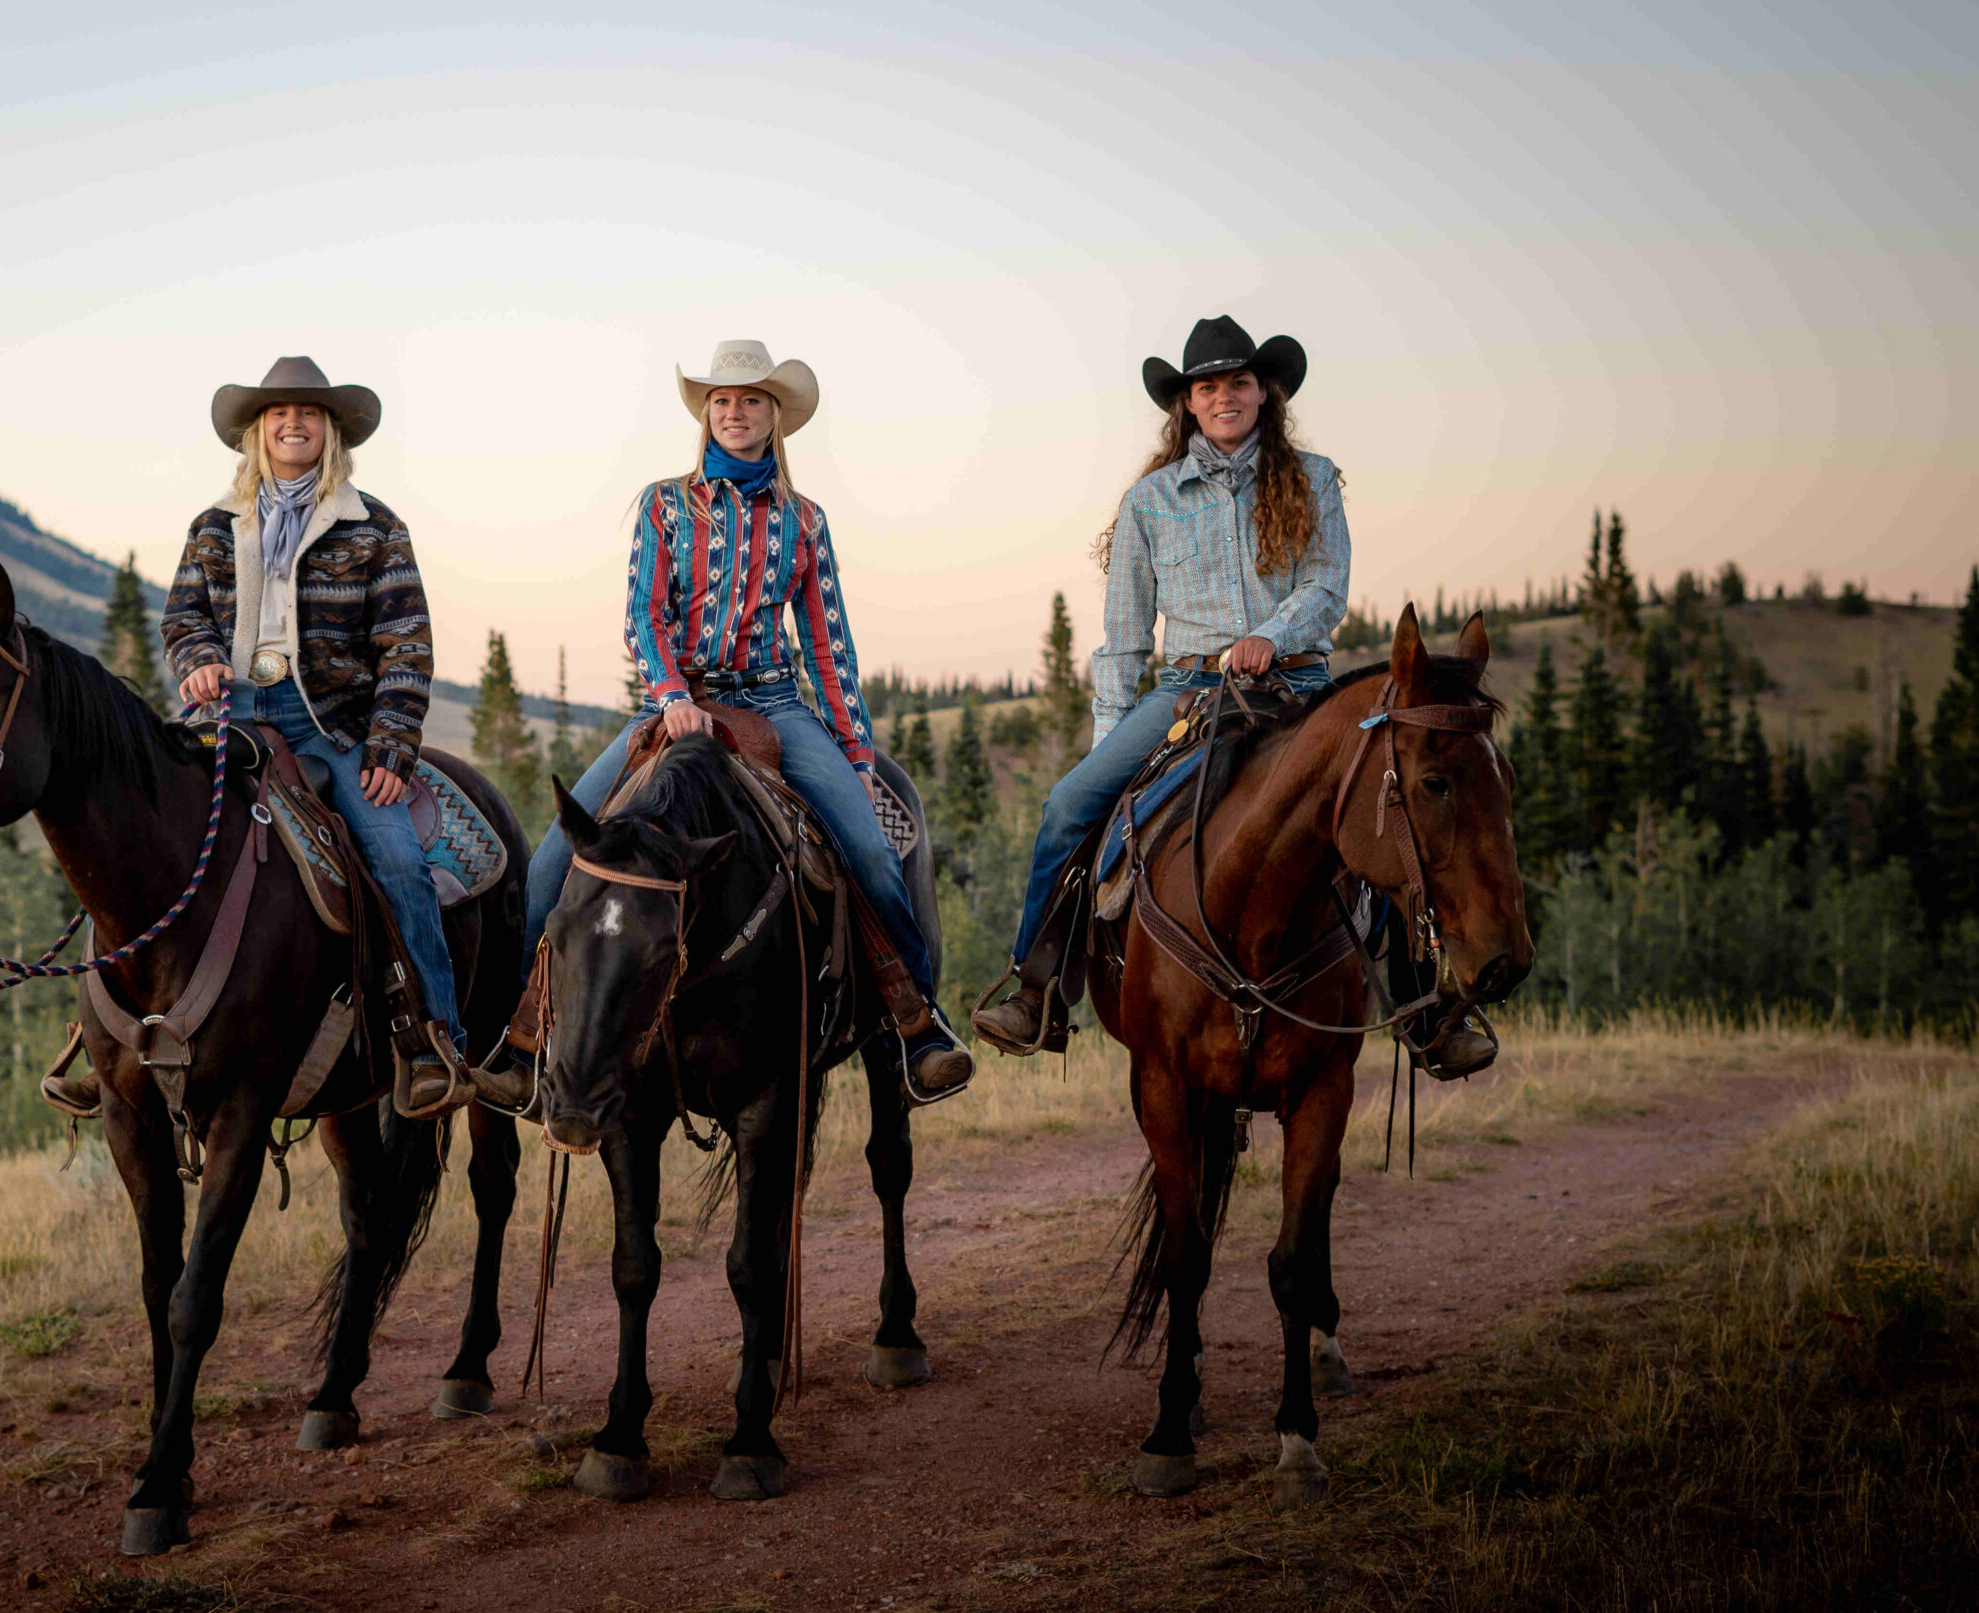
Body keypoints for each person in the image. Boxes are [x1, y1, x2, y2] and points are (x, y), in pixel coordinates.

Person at [484, 340, 973, 1106]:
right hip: (674, 705)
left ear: (775, 416)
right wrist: (672, 691)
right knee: (555, 862)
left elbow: (826, 638)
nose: (735, 412)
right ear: (706, 413)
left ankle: (915, 1023)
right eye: (722, 400)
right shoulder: (664, 504)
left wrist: (853, 748)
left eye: (750, 400)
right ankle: (524, 1040)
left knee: (872, 852)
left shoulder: (805, 522)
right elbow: (643, 613)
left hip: (774, 703)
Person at [973, 316, 1380, 1052]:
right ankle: (1037, 988)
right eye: (1208, 385)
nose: (1224, 395)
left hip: (1297, 683)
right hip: (1188, 690)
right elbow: (1125, 640)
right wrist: (1109, 751)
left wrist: (1270, 637)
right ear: (1187, 403)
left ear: (1264, 393)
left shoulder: (1312, 478)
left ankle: (1427, 1006)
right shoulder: (1149, 502)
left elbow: (1325, 584)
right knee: (1068, 805)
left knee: (1389, 796)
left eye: (1239, 382)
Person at [160, 356, 474, 1117]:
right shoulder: (213, 527)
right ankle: (104, 1037)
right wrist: (199, 660)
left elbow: (406, 643)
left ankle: (436, 1041)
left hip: (330, 722)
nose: (292, 423)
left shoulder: (374, 528)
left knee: (398, 858)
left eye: (308, 413)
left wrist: (391, 748)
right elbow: (183, 617)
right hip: (228, 716)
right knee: (141, 826)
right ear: (256, 432)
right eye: (278, 413)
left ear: (331, 432)